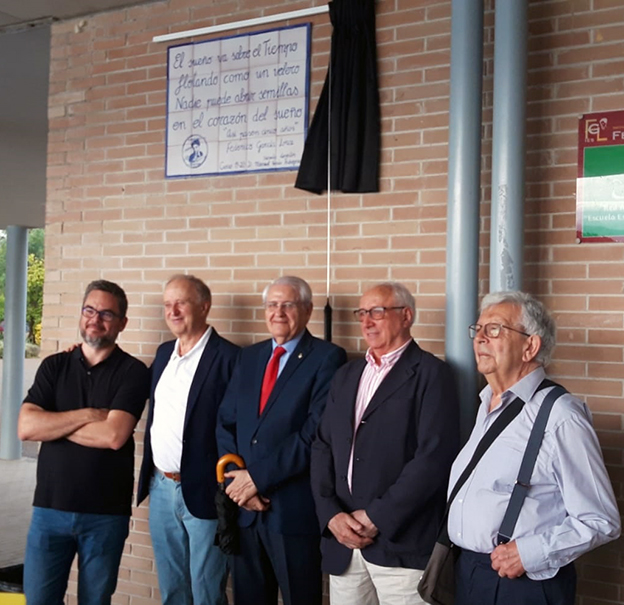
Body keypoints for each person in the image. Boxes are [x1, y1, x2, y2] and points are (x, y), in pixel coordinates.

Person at [448, 290, 621, 605]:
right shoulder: (487, 403)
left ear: (530, 346)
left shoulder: (561, 416)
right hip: (471, 575)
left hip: (522, 584)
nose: (480, 339)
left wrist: (530, 553)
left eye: (495, 329)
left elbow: (601, 520)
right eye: (478, 330)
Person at [311, 281, 460, 605]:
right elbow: (323, 445)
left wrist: (377, 516)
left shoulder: (433, 374)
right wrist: (330, 515)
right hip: (344, 543)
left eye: (377, 312)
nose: (366, 321)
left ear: (406, 316)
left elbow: (433, 459)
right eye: (362, 313)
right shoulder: (347, 375)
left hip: (402, 546)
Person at [216, 275, 347, 605]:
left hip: (291, 511)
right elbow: (225, 423)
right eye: (272, 304)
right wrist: (239, 485)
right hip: (244, 511)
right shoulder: (248, 358)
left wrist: (257, 480)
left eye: (288, 304)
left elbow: (314, 433)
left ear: (307, 310)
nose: (278, 312)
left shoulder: (327, 358)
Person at [17, 280, 150, 605]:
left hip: (105, 515)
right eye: (89, 310)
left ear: (122, 323)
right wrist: (89, 414)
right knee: (38, 600)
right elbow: (25, 427)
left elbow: (114, 436)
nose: (95, 318)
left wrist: (54, 422)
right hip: (49, 510)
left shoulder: (133, 372)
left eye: (106, 313)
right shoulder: (54, 365)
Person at [137, 274, 240, 605]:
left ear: (204, 306)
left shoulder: (230, 358)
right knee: (172, 589)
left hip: (205, 491)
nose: (173, 311)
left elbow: (237, 428)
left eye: (181, 302)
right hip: (162, 488)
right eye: (168, 304)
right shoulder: (164, 353)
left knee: (206, 591)